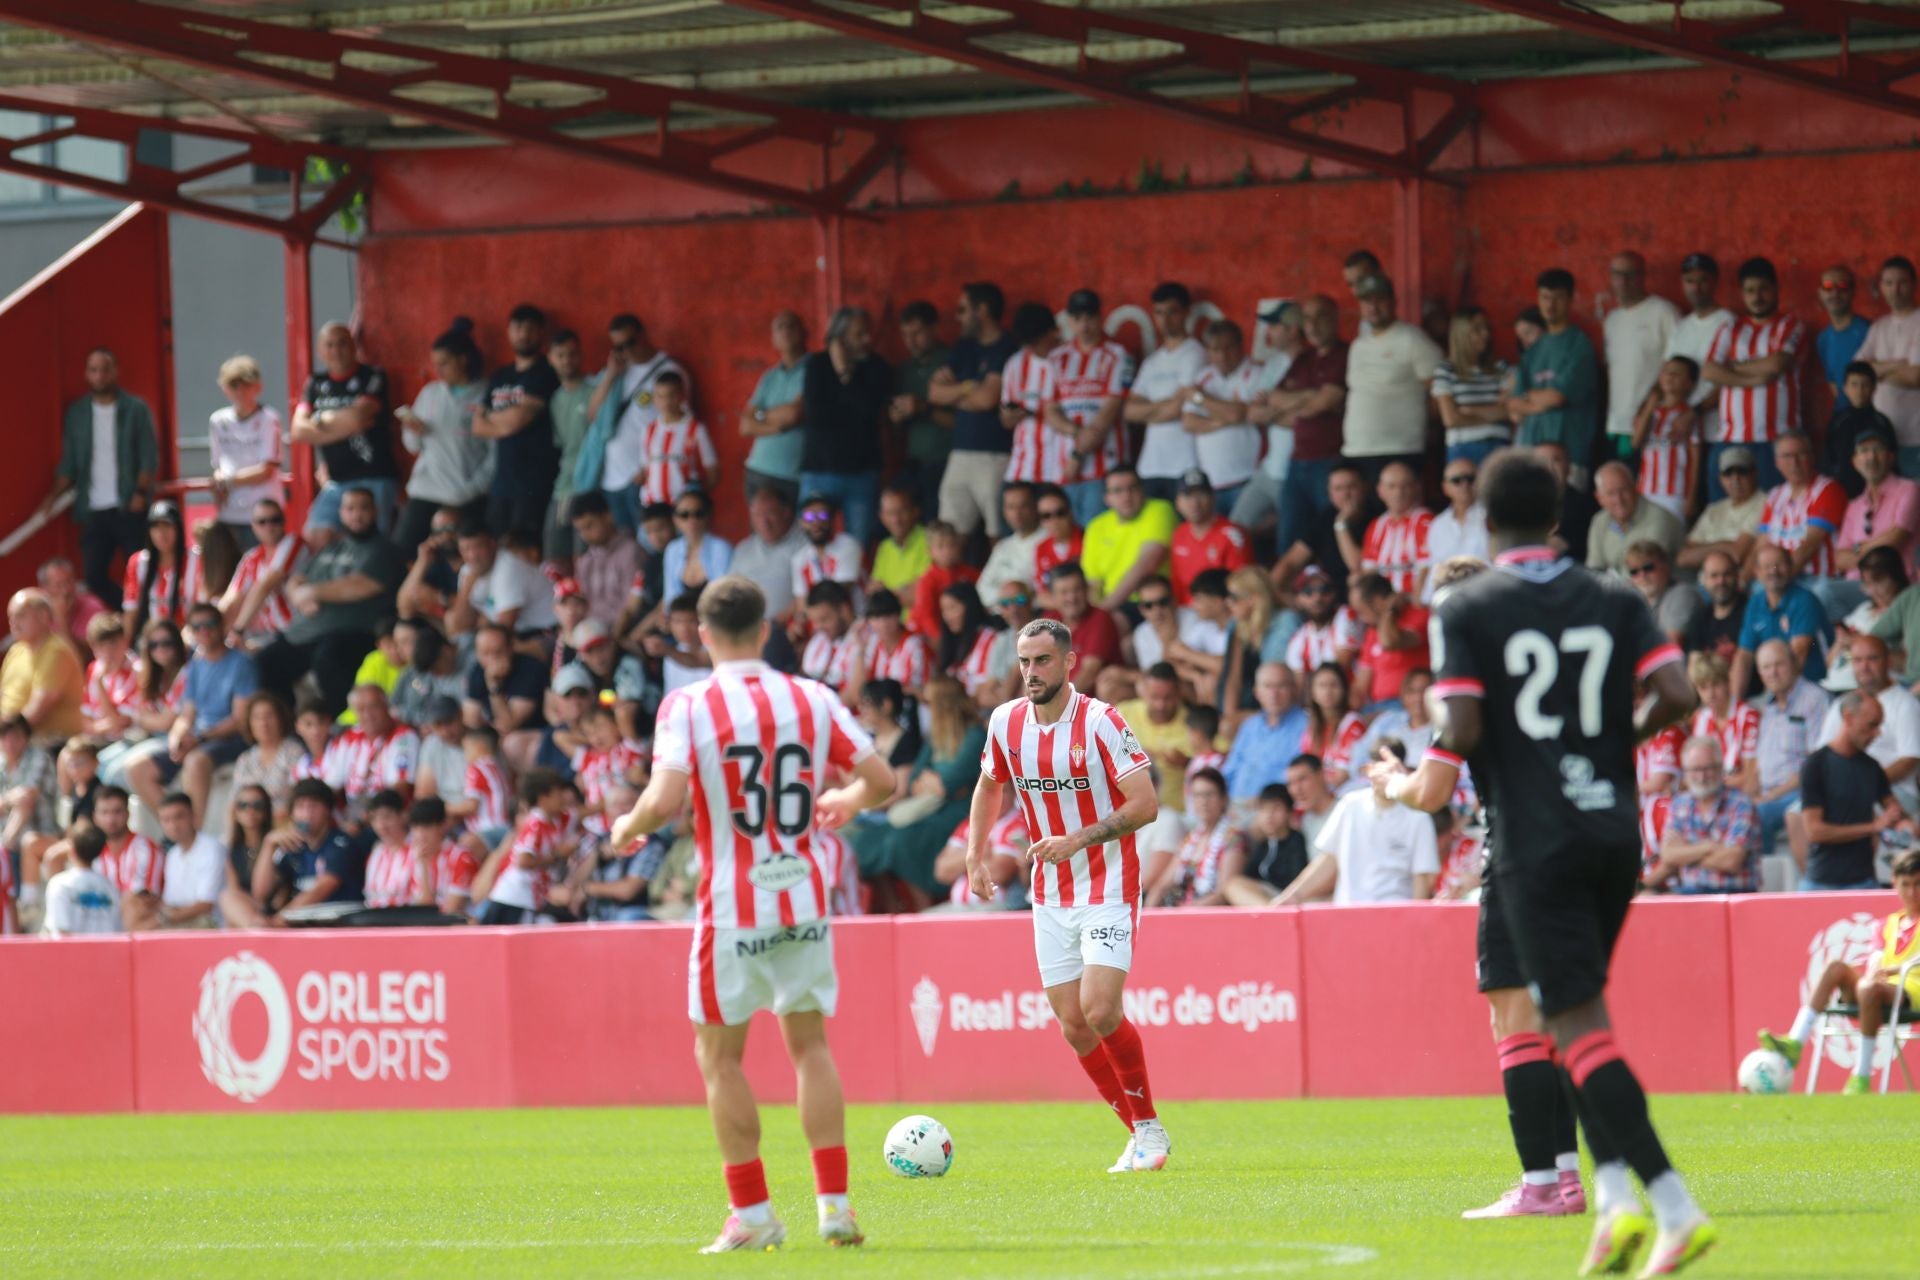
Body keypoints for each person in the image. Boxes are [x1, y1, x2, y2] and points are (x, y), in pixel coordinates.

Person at [1393, 447, 1715, 1273]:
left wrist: (1449, 711)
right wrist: (1610, 746)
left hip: (1535, 838)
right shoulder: (1615, 593)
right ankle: (1609, 1203)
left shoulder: (1470, 605)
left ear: (1488, 522)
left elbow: (1460, 734)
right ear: (1562, 516)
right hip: (1617, 831)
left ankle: (1672, 1208)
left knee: (1575, 1027)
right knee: (1578, 1018)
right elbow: (1679, 695)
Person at [610, 575, 894, 1251]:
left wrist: (627, 827)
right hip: (803, 895)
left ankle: (755, 1214)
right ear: (766, 629)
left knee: (718, 1057)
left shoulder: (689, 704)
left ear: (701, 635)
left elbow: (665, 798)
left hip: (733, 907)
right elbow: (880, 781)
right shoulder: (812, 697)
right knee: (811, 1047)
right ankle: (835, 1206)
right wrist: (846, 801)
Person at [966, 615, 1166, 1175]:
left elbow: (1145, 804)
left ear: (1069, 662)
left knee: (1100, 1011)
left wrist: (1078, 838)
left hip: (1106, 885)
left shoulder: (1102, 722)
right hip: (1049, 893)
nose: (1031, 672)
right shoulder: (1005, 722)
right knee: (1072, 1024)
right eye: (1024, 661)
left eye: (1043, 660)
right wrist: (974, 853)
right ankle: (1137, 1133)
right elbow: (989, 784)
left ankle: (1149, 1128)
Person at [1759, 848, 1920, 1095]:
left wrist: (1893, 970)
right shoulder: (1886, 925)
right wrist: (1875, 970)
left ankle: (1861, 1075)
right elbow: (1877, 956)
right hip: (1878, 989)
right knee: (1836, 968)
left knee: (1868, 987)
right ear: (1895, 884)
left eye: (1918, 884)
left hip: (1912, 991)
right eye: (1906, 884)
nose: (1912, 892)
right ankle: (1795, 1042)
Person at [256, 487, 403, 717]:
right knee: (265, 663)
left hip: (354, 632)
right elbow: (296, 580)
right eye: (350, 508)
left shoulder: (382, 549)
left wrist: (312, 592)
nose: (357, 514)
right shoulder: (332, 549)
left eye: (363, 507)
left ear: (375, 511)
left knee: (329, 658)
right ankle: (289, 730)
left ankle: (340, 727)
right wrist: (300, 595)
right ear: (341, 513)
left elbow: (358, 585)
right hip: (306, 632)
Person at [123, 602, 255, 824]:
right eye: (197, 626)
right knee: (137, 769)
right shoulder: (195, 664)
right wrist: (177, 739)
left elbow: (239, 720)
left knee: (195, 762)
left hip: (230, 738)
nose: (204, 631)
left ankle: (195, 833)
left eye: (210, 624)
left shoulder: (241, 663)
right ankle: (176, 829)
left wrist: (199, 738)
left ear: (222, 626)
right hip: (198, 737)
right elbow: (186, 715)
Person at [44, 347, 159, 603]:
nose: (100, 376)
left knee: (142, 571)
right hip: (93, 508)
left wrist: (140, 493)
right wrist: (50, 499)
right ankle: (128, 616)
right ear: (87, 374)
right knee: (94, 577)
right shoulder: (77, 413)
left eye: (105, 369)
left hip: (129, 506)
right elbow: (70, 463)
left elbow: (148, 456)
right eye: (94, 370)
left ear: (115, 371)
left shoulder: (135, 409)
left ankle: (144, 623)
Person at [1275, 743, 1437, 904]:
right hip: (1348, 913)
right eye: (1381, 769)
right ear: (1368, 770)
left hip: (1395, 915)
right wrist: (1290, 898)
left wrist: (1416, 924)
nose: (1387, 775)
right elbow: (1329, 859)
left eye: (1392, 769)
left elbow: (1422, 877)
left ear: (1403, 770)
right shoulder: (1350, 804)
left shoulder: (1418, 816)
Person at [1702, 257, 1804, 490]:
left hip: (1777, 440)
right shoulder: (1731, 328)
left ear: (1776, 289)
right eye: (1749, 290)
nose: (1757, 296)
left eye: (1763, 289)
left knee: (1772, 513)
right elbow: (1709, 370)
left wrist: (1730, 367)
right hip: (1730, 438)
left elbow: (1776, 364)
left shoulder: (1789, 325)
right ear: (1742, 293)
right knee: (1725, 514)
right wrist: (1754, 378)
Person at [394, 315, 490, 557]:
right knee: (403, 552)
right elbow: (412, 446)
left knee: (461, 556)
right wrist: (413, 430)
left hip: (465, 494)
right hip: (425, 489)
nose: (438, 370)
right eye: (436, 363)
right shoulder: (430, 393)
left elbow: (494, 453)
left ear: (463, 360)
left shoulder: (485, 394)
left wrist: (474, 487)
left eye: (445, 363)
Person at [1799, 692, 1914, 891]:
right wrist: (1873, 827)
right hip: (1821, 883)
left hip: (1863, 881)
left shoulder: (1871, 767)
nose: (1877, 733)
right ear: (1849, 718)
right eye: (1872, 725)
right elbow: (1814, 831)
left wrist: (1904, 823)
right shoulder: (1816, 765)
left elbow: (1893, 809)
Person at [290, 322, 400, 531]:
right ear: (320, 351)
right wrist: (346, 424)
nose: (336, 350)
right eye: (329, 345)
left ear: (353, 345)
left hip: (375, 476)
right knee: (315, 534)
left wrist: (319, 423)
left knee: (371, 538)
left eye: (341, 344)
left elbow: (359, 417)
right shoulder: (315, 383)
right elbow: (298, 430)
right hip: (337, 481)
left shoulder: (372, 376)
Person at [587, 312, 690, 531]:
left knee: (650, 543)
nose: (626, 351)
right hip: (611, 477)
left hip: (644, 477)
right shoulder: (618, 371)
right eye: (619, 347)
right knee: (625, 548)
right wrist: (611, 375)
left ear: (643, 335)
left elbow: (681, 423)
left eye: (630, 343)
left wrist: (650, 467)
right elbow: (593, 413)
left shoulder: (669, 371)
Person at [1264, 294, 1349, 557]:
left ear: (1334, 319)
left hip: (1330, 461)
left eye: (1319, 317)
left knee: (1330, 533)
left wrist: (1307, 402)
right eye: (1307, 319)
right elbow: (1272, 400)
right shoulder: (1304, 358)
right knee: (1288, 535)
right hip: (1297, 461)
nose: (1311, 325)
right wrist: (1310, 397)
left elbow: (1324, 402)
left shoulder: (1344, 354)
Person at [800, 306, 891, 548]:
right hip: (819, 471)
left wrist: (844, 375)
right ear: (839, 338)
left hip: (861, 474)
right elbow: (817, 417)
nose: (867, 340)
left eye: (867, 333)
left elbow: (869, 410)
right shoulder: (817, 365)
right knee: (812, 544)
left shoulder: (877, 366)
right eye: (859, 334)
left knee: (858, 546)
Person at [1047, 289, 1136, 526]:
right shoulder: (1057, 357)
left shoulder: (1119, 355)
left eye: (1090, 317)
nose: (1084, 325)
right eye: (1077, 319)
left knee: (1098, 536)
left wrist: (1077, 455)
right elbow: (1051, 410)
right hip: (1063, 469)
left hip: (1104, 470)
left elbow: (1108, 413)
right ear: (1069, 321)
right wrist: (1075, 433)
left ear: (1100, 317)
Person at [473, 302, 561, 537]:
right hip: (502, 481)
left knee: (525, 550)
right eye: (518, 328)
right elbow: (478, 426)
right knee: (494, 547)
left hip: (535, 481)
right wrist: (504, 420)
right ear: (509, 332)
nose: (523, 334)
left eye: (530, 329)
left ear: (540, 333)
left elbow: (516, 421)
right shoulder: (500, 375)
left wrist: (492, 417)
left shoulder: (547, 372)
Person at [1343, 275, 1441, 481]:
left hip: (1399, 449)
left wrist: (1429, 432)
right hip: (1357, 449)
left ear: (1393, 301)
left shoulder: (1413, 339)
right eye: (1366, 301)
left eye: (1380, 300)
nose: (1373, 306)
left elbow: (1440, 390)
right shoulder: (1357, 345)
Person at [1816, 634, 1920, 818]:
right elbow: (1822, 754)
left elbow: (1909, 761)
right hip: (1843, 790)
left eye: (1872, 659)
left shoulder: (1906, 704)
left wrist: (1864, 785)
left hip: (1894, 790)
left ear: (1888, 662)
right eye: (1857, 660)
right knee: (1798, 813)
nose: (1864, 667)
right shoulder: (1841, 704)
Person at [1511, 269, 1601, 473]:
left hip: (1570, 457)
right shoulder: (1533, 350)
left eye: (1558, 298)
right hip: (1532, 456)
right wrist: (1537, 400)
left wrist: (1530, 396)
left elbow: (1557, 397)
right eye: (1545, 297)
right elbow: (1515, 405)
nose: (1550, 305)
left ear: (1571, 299)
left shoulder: (1579, 345)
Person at [1128, 281, 1211, 500]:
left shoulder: (1195, 354)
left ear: (1186, 313)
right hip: (1150, 465)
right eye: (1159, 313)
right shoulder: (1152, 361)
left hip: (1185, 464)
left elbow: (1177, 410)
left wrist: (1151, 411)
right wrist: (1167, 406)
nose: (1164, 320)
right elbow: (1128, 411)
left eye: (1172, 312)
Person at [1648, 737, 1761, 894]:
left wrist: (1686, 852)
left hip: (1734, 895)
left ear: (1720, 768)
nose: (1701, 777)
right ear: (1685, 772)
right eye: (1695, 770)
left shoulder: (1741, 803)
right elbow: (1668, 856)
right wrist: (1708, 847)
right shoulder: (1679, 804)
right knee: (1649, 901)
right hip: (1690, 893)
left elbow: (1731, 861)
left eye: (1707, 768)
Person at [1664, 253, 1735, 498]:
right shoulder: (1681, 328)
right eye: (1690, 280)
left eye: (1703, 280)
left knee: (1714, 501)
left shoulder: (1728, 323)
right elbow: (1667, 376)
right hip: (1680, 435)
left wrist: (1694, 412)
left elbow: (1731, 381)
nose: (1696, 287)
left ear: (1715, 282)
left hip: (1717, 430)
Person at [1602, 251, 1679, 463]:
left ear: (1643, 276)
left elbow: (1677, 366)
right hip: (1615, 424)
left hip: (1652, 424)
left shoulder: (1664, 312)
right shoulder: (1612, 320)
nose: (1623, 281)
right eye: (1617, 274)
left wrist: (1649, 406)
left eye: (1630, 274)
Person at [1178, 320, 1266, 503]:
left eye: (1228, 348)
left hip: (1248, 476)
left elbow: (1239, 414)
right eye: (1215, 350)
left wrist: (1201, 400)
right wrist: (1226, 416)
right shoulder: (1203, 377)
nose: (1222, 356)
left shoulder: (1256, 373)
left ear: (1241, 346)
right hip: (1211, 482)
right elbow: (1189, 422)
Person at [206, 355, 284, 553]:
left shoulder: (269, 419)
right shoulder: (218, 420)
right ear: (224, 389)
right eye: (233, 385)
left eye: (246, 384)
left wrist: (227, 482)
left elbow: (267, 469)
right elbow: (217, 464)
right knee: (231, 574)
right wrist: (218, 481)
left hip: (262, 515)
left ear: (258, 387)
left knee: (261, 570)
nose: (240, 391)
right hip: (229, 512)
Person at [1733, 543, 1832, 697]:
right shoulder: (1755, 602)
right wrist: (1735, 704)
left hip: (1813, 686)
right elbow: (1744, 655)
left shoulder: (1804, 600)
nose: (1774, 571)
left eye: (1779, 565)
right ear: (1756, 573)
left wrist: (1777, 701)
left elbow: (1798, 655)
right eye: (1767, 566)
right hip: (1777, 687)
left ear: (1791, 567)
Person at [1857, 255, 1920, 479]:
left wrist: (1876, 371)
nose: (1896, 289)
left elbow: (1915, 377)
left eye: (1902, 282)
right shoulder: (1879, 327)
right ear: (1881, 287)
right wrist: (1896, 365)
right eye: (1889, 283)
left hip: (1916, 438)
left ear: (1914, 284)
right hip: (1882, 439)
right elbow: (1858, 371)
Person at [740, 310, 809, 507]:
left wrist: (761, 417)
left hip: (792, 475)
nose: (785, 331)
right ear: (773, 339)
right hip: (757, 469)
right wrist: (778, 427)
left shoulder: (815, 368)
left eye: (791, 326)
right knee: (760, 536)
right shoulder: (769, 376)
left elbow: (794, 414)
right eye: (779, 327)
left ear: (805, 332)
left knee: (798, 534)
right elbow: (745, 426)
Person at [1081, 466, 1175, 612]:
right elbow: (1094, 582)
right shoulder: (1096, 526)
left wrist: (1105, 609)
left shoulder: (1160, 509)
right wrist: (1094, 613)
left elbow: (1147, 564)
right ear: (1106, 498)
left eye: (1132, 488)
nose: (1127, 496)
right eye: (1118, 491)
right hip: (1108, 604)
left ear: (1142, 490)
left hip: (1150, 602)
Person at [1146, 767, 1242, 907]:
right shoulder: (1191, 838)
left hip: (1208, 916)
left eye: (1209, 794)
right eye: (1197, 795)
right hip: (1179, 912)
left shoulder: (1235, 838)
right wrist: (1148, 915)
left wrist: (1186, 914)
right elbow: (1163, 884)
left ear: (1223, 799)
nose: (1203, 801)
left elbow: (1224, 893)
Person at [1834, 425, 1917, 584]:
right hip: (1858, 585)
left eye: (1877, 449)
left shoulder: (1909, 489)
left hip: (1895, 585)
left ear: (1891, 457)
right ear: (1855, 462)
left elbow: (1895, 539)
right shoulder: (1854, 506)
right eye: (1864, 450)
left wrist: (1858, 548)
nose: (1871, 457)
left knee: (1825, 591)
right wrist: (1874, 547)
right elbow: (1839, 559)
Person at [1431, 305, 1512, 466]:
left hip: (1500, 447)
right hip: (1463, 448)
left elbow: (1511, 411)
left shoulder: (1501, 368)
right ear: (1461, 334)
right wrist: (1493, 415)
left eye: (1486, 328)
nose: (1485, 334)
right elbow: (1451, 419)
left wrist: (1470, 411)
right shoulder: (1446, 370)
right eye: (1477, 329)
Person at [2, 590, 85, 746]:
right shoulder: (16, 651)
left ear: (44, 617)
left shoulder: (56, 652)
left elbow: (36, 712)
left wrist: (5, 735)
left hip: (48, 742)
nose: (13, 622)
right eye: (10, 617)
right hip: (12, 738)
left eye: (20, 615)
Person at [1221, 663, 1307, 808]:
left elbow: (1299, 776)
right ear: (1257, 693)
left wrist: (1263, 800)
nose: (1274, 694)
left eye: (1281, 686)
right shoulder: (1249, 726)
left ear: (1293, 689)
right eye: (1267, 687)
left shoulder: (1306, 726)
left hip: (1273, 809)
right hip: (1232, 806)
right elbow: (1229, 770)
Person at [545, 328, 596, 564]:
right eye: (561, 355)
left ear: (581, 356)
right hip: (564, 485)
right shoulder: (555, 399)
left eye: (572, 354)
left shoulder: (593, 391)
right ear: (551, 358)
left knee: (584, 557)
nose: (567, 360)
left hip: (591, 484)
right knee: (555, 556)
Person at [1631, 356, 1700, 522]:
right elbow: (1636, 442)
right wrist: (1649, 407)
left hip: (1674, 492)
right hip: (1645, 489)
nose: (1670, 376)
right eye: (1666, 372)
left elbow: (1696, 458)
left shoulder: (1688, 417)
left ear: (1689, 384)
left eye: (1677, 373)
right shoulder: (1650, 412)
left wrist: (1691, 496)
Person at [1587, 462, 1683, 578]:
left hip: (1664, 590)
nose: (1618, 500)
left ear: (1635, 487)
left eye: (1623, 490)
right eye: (1610, 493)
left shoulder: (1659, 519)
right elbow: (1595, 570)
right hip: (1621, 590)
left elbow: (1644, 573)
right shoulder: (1599, 521)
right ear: (1599, 498)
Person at [1220, 782, 1309, 905]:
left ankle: (1271, 916)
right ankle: (1270, 914)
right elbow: (1248, 876)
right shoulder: (1264, 844)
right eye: (1263, 809)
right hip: (1267, 899)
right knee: (1233, 884)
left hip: (1287, 898)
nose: (1269, 815)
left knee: (1233, 886)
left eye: (1276, 808)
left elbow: (1297, 881)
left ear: (1289, 812)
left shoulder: (1296, 841)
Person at [1675, 447, 1763, 572]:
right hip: (1706, 583)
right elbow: (1683, 558)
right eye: (1728, 473)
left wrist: (1705, 548)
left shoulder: (1766, 502)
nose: (1735, 479)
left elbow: (1738, 554)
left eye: (1741, 472)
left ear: (1754, 473)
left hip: (1740, 582)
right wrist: (1725, 545)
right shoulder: (1714, 509)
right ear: (1720, 478)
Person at [122, 500, 200, 637]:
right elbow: (130, 613)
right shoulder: (138, 562)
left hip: (192, 640)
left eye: (167, 525)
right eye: (155, 527)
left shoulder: (197, 559)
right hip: (154, 643)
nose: (161, 533)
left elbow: (203, 608)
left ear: (178, 528)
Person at [730, 487, 807, 624]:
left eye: (770, 514)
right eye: (758, 515)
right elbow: (730, 591)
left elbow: (807, 594)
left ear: (786, 513)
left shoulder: (804, 546)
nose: (764, 522)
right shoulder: (744, 548)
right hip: (746, 630)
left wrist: (773, 624)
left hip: (787, 629)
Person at [1361, 462, 1433, 598]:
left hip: (1414, 601)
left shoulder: (1425, 521)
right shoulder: (1376, 525)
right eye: (1391, 486)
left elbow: (1427, 569)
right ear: (1380, 491)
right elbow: (1369, 573)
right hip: (1382, 604)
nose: (1398, 492)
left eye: (1405, 486)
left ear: (1416, 487)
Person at [154, 791, 223, 928]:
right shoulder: (172, 854)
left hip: (209, 923)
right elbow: (170, 902)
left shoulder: (211, 848)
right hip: (180, 920)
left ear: (193, 816)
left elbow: (206, 905)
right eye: (166, 820)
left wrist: (166, 917)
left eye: (178, 817)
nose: (173, 825)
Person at [40, 820, 119, 937]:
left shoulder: (59, 884)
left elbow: (60, 933)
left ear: (71, 851)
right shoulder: (110, 887)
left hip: (71, 954)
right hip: (106, 953)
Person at [1425, 458, 1489, 601]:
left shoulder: (1494, 516)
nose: (1464, 485)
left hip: (1485, 597)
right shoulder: (1437, 525)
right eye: (1457, 480)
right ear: (1445, 487)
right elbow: (1435, 567)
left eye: (1470, 479)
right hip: (1448, 600)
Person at [976, 482, 1043, 607]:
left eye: (1023, 506)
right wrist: (1008, 599)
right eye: (1011, 507)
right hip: (1001, 616)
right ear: (1004, 512)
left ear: (1035, 507)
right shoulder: (1003, 547)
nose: (1017, 513)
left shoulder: (1047, 541)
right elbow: (982, 588)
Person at [1815, 265, 1869, 398]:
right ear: (1820, 293)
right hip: (1843, 414)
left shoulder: (1867, 331)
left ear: (1853, 292)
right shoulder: (1823, 339)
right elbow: (1834, 385)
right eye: (1828, 287)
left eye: (1842, 286)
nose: (1835, 293)